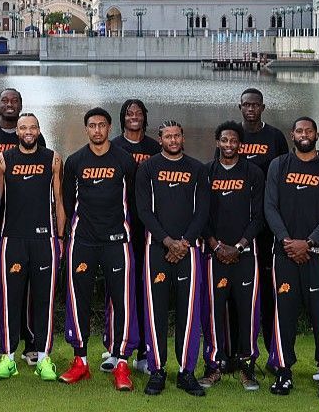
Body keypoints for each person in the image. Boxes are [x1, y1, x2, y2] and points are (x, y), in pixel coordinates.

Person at [59, 108, 139, 392]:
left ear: (109, 127)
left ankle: (121, 363)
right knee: (78, 299)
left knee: (122, 300)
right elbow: (68, 200)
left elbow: (133, 200)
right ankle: (80, 360)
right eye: (92, 125)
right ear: (86, 129)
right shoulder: (75, 161)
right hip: (83, 241)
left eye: (101, 125)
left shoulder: (124, 160)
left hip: (117, 240)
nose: (97, 130)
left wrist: (125, 229)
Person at [264, 117, 319, 399]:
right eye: (299, 131)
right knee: (284, 314)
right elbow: (270, 207)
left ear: (317, 134)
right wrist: (288, 241)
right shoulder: (278, 165)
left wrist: (308, 242)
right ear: (292, 134)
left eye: (309, 130)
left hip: (318, 254)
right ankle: (283, 370)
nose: (304, 134)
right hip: (285, 253)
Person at [135, 120, 208, 397]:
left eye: (177, 135)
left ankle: (186, 372)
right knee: (156, 311)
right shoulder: (148, 168)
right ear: (160, 139)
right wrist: (167, 241)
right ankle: (157, 370)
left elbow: (203, 211)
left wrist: (184, 243)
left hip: (188, 250)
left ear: (183, 138)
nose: (173, 140)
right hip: (157, 249)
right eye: (168, 136)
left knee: (188, 312)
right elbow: (144, 210)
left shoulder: (197, 169)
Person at [0, 113, 66, 382]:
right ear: (17, 132)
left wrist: (60, 237)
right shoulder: (3, 160)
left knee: (45, 300)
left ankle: (44, 358)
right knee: (9, 299)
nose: (28, 132)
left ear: (39, 129)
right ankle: (8, 357)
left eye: (33, 127)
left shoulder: (53, 159)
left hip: (45, 240)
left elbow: (59, 201)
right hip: (12, 239)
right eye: (23, 128)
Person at [0, 88, 45, 365]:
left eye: (15, 100)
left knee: (27, 289)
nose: (10, 104)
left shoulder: (33, 136)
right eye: (5, 100)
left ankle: (30, 342)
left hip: (27, 226)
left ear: (21, 105)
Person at [201, 121, 264, 392]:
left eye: (233, 140)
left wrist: (238, 246)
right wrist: (216, 246)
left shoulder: (254, 173)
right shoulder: (206, 172)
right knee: (214, 310)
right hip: (214, 254)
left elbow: (259, 216)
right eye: (224, 140)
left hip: (245, 255)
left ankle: (246, 366)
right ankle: (214, 365)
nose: (229, 145)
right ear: (217, 142)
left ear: (241, 144)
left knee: (246, 311)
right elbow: (200, 214)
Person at [236, 88, 288, 357]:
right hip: (238, 221)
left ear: (263, 108)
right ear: (240, 107)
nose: (251, 109)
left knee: (269, 287)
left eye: (255, 105)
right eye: (246, 105)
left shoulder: (275, 137)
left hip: (267, 223)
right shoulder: (233, 135)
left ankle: (272, 349)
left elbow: (286, 175)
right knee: (238, 288)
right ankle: (236, 349)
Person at [108, 98, 158, 374]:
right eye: (129, 113)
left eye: (138, 113)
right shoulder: (114, 147)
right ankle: (116, 348)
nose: (134, 116)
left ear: (144, 117)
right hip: (120, 226)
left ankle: (143, 352)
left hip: (148, 227)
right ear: (122, 118)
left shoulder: (154, 148)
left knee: (144, 289)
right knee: (119, 289)